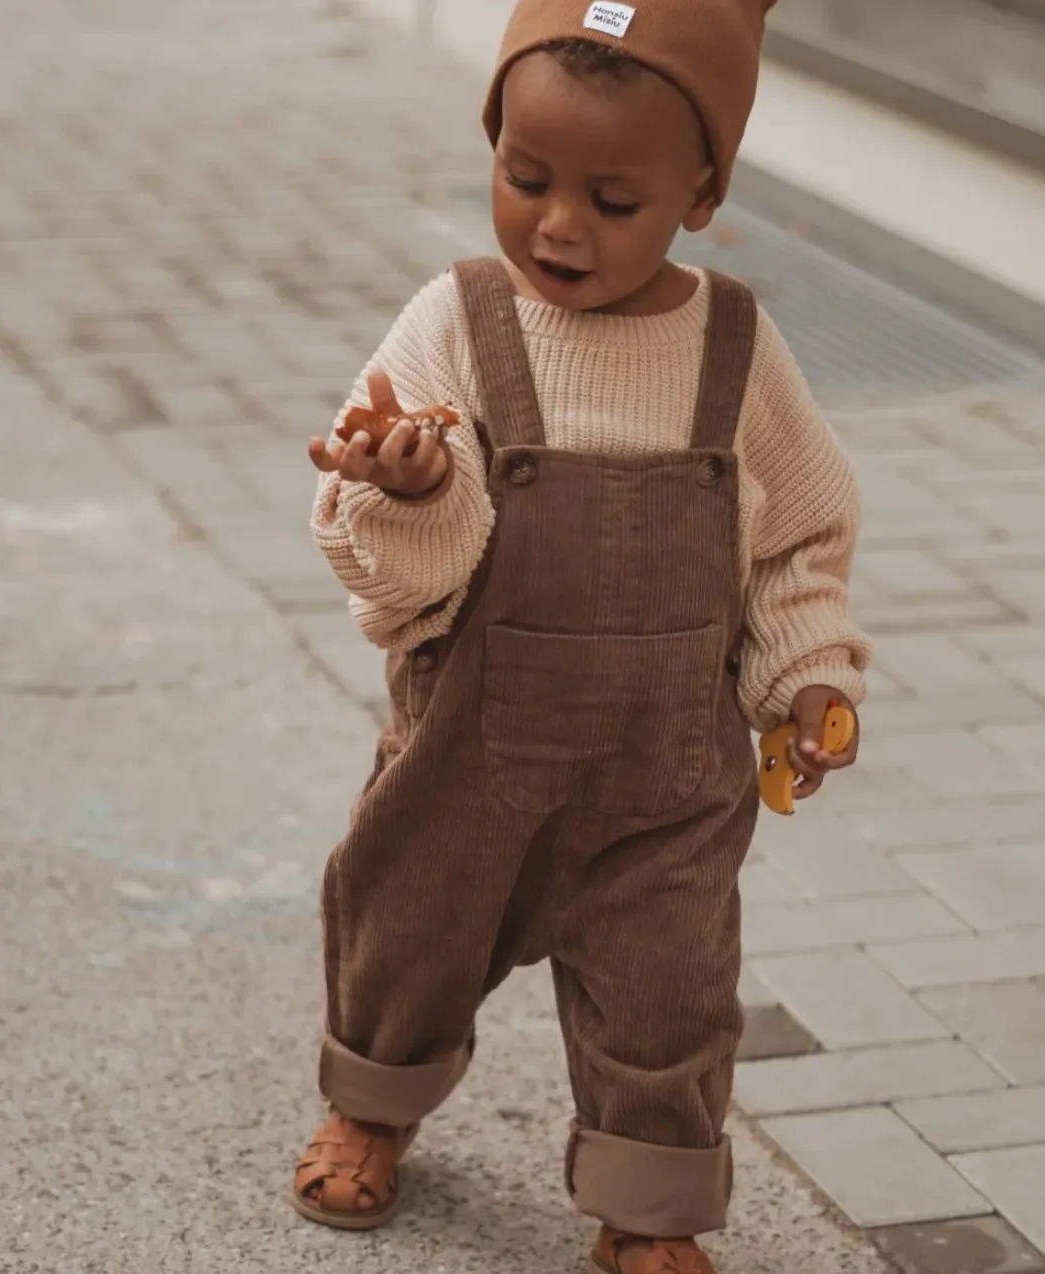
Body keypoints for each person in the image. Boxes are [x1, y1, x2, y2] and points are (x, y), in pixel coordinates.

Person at [294, 1, 872, 1269]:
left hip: (663, 781)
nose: (557, 224)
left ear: (701, 191)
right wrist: (406, 490)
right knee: (405, 932)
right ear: (493, 138)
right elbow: (381, 567)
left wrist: (805, 673)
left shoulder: (732, 344)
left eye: (613, 200)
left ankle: (646, 1207)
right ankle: (370, 1102)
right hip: (468, 758)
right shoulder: (453, 320)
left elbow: (795, 538)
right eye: (524, 176)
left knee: (669, 994)